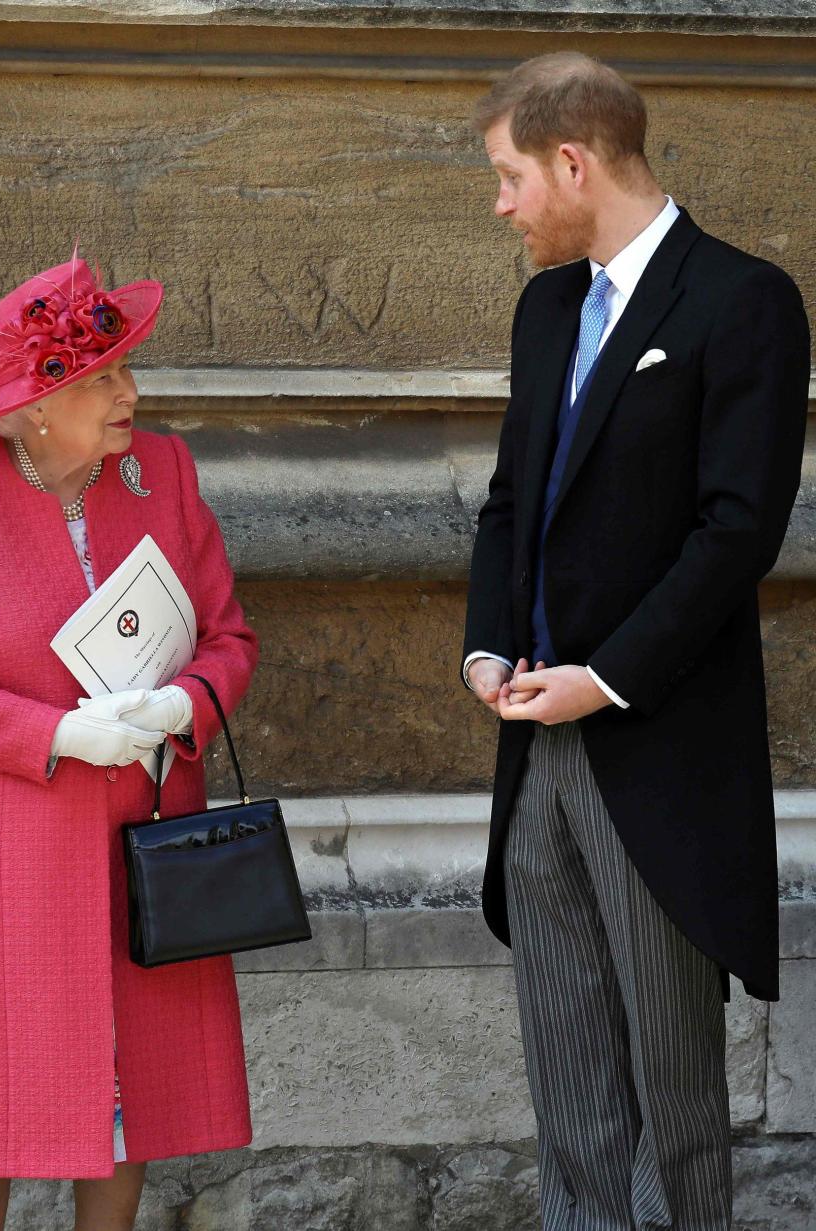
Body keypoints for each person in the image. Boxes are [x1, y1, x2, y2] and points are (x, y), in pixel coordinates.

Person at [462, 53, 810, 1230]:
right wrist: (487, 651)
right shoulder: (544, 307)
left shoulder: (743, 301)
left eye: (511, 176)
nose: (501, 202)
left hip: (655, 749)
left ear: (574, 161)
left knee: (673, 1098)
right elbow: (512, 503)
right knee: (570, 1094)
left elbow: (736, 533)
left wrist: (602, 680)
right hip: (532, 752)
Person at [0, 251, 258, 1231]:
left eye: (127, 370)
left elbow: (229, 638)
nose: (133, 394)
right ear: (41, 405)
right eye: (106, 379)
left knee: (132, 1095)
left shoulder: (161, 471)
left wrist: (186, 707)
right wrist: (56, 730)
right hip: (12, 849)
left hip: (143, 839)